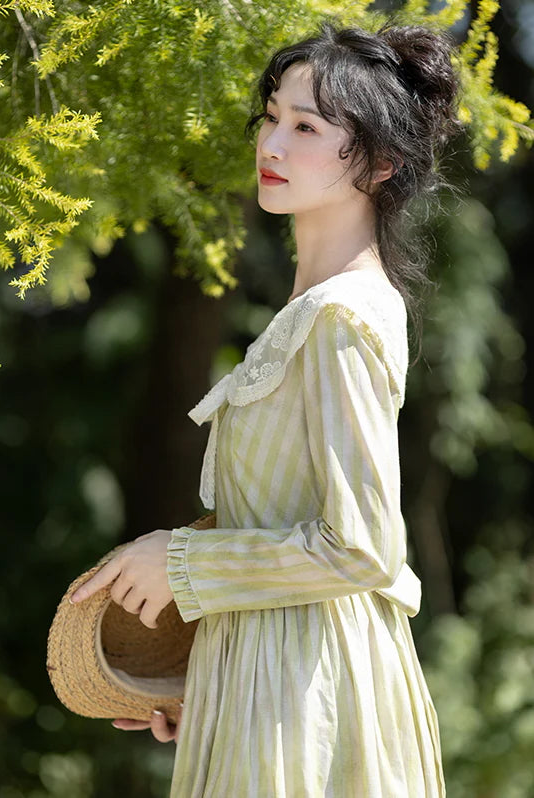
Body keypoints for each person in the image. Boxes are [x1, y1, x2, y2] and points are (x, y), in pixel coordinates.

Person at [71, 17, 463, 797]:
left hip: (313, 696)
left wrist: (176, 561)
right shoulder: (314, 310)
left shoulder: (341, 317)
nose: (272, 145)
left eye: (307, 126)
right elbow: (290, 529)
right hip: (276, 684)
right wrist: (208, 673)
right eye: (272, 117)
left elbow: (361, 548)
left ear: (381, 164)